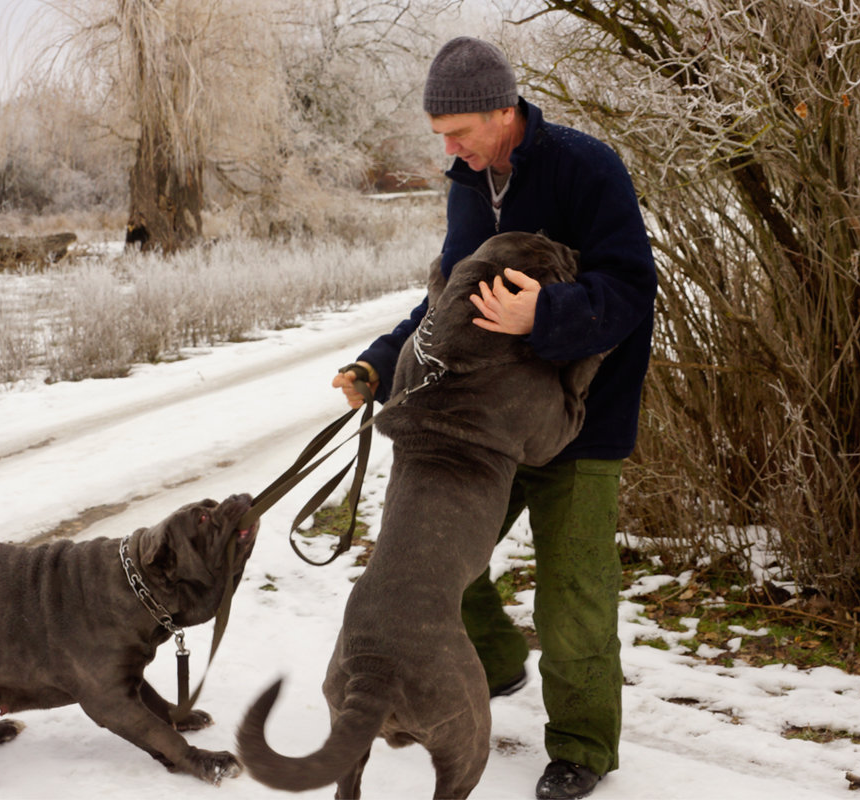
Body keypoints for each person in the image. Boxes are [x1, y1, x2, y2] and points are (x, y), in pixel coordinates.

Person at [332, 36, 657, 800]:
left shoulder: (586, 168)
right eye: (440, 135)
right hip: (482, 429)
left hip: (581, 423)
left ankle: (582, 747)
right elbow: (446, 303)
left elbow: (632, 287)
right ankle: (498, 664)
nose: (449, 150)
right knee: (435, 562)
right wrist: (380, 362)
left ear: (504, 111)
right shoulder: (469, 185)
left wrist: (546, 311)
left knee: (574, 594)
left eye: (459, 132)